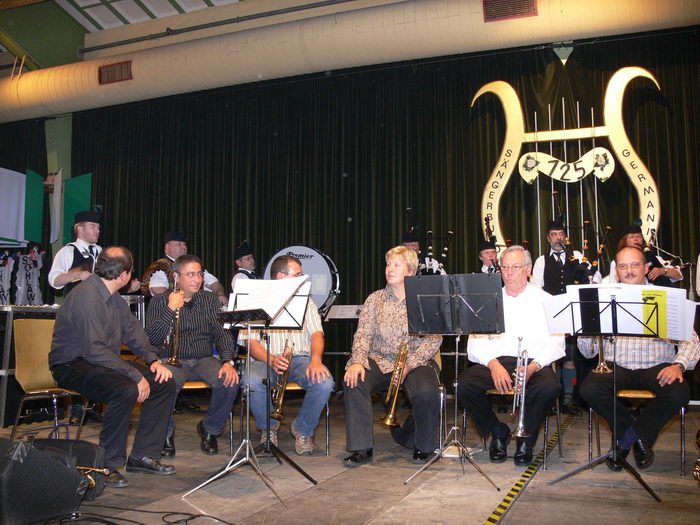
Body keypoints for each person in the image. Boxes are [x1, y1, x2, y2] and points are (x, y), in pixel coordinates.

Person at [49, 247, 176, 489]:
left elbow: (133, 332)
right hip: (71, 365)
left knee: (164, 383)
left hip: (100, 361)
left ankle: (143, 456)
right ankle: (106, 465)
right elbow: (93, 350)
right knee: (125, 389)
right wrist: (134, 375)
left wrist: (153, 360)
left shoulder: (113, 298)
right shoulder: (85, 296)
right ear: (125, 275)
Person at [578, 246, 700, 470]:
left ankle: (628, 441)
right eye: (623, 266)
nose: (629, 270)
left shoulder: (665, 298)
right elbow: (588, 352)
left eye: (634, 265)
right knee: (589, 389)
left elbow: (691, 339)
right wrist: (585, 327)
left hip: (656, 365)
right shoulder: (604, 299)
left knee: (679, 392)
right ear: (617, 271)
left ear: (646, 268)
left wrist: (679, 365)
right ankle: (633, 436)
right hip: (617, 365)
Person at [457, 245, 564, 466]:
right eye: (504, 267)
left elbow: (557, 343)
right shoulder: (487, 299)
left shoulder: (546, 300)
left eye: (515, 267)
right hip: (496, 360)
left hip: (534, 363)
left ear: (528, 269)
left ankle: (526, 438)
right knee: (464, 385)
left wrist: (533, 367)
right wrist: (493, 364)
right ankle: (498, 431)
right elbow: (475, 342)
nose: (509, 272)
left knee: (549, 387)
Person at [343, 245, 442, 465]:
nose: (390, 269)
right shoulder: (374, 299)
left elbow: (434, 339)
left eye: (397, 265)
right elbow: (362, 335)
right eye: (388, 264)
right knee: (353, 380)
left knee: (426, 392)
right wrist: (357, 361)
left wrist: (409, 364)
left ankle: (424, 445)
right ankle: (361, 447)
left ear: (410, 271)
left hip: (416, 361)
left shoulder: (424, 299)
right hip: (379, 359)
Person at [239, 255, 334, 455]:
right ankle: (268, 428)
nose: (303, 279)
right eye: (298, 275)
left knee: (324, 382)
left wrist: (316, 361)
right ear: (281, 276)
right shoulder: (256, 299)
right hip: (265, 358)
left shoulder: (306, 302)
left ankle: (302, 428)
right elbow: (251, 341)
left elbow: (317, 334)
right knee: (251, 380)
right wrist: (272, 360)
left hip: (299, 358)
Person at [146, 254, 239, 457]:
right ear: (176, 277)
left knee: (230, 381)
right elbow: (152, 338)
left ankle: (210, 429)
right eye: (190, 275)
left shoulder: (208, 300)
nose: (197, 279)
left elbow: (222, 333)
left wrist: (227, 361)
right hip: (172, 360)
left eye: (199, 274)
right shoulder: (160, 301)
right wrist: (171, 308)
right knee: (164, 383)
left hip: (203, 358)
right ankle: (165, 433)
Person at [531, 220, 600, 415]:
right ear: (548, 238)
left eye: (561, 234)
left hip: (572, 314)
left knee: (569, 359)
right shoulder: (541, 261)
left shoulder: (576, 256)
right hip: (550, 315)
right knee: (551, 358)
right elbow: (536, 288)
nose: (558, 238)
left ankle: (568, 400)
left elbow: (595, 277)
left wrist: (588, 278)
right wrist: (552, 303)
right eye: (554, 234)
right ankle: (551, 400)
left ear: (565, 237)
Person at [141, 231, 227, 305]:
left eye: (184, 244)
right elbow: (158, 290)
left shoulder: (194, 265)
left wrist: (220, 294)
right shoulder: (159, 267)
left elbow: (214, 283)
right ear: (167, 248)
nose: (184, 247)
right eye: (178, 244)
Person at [608, 224, 683, 287]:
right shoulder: (617, 262)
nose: (636, 239)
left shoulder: (651, 257)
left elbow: (679, 275)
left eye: (639, 236)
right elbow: (612, 285)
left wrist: (663, 271)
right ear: (625, 240)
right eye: (631, 237)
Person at [48, 211, 103, 296]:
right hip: (75, 305)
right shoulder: (68, 251)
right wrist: (77, 275)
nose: (98, 231)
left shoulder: (101, 251)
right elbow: (54, 280)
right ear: (79, 229)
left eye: (98, 227)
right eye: (93, 226)